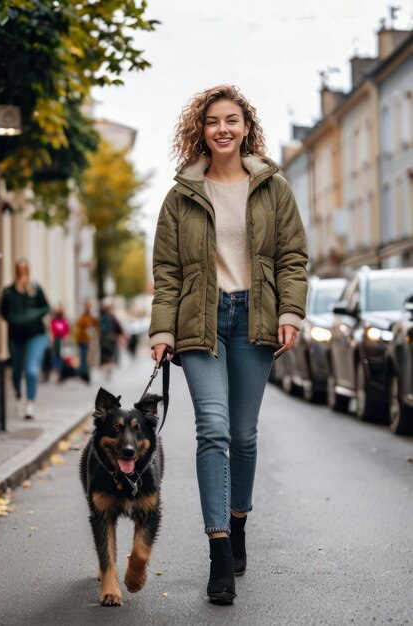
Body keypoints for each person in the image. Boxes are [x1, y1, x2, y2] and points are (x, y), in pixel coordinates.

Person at [149, 85, 308, 604]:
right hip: (202, 322)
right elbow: (167, 271)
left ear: (245, 128)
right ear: (201, 130)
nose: (222, 129)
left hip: (254, 320)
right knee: (212, 428)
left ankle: (238, 522)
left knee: (242, 435)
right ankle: (219, 548)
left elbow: (292, 256)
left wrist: (290, 311)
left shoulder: (273, 186)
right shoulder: (180, 196)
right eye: (213, 121)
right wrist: (162, 329)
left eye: (232, 120)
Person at [0, 258, 50, 420]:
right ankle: (18, 392)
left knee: (31, 369)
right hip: (16, 336)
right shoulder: (9, 291)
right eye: (19, 269)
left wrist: (32, 315)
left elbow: (45, 307)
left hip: (35, 334)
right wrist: (14, 319)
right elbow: (3, 311)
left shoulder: (34, 288)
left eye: (24, 269)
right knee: (16, 370)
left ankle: (29, 404)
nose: (22, 272)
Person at [73, 300, 98, 383]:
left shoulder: (90, 317)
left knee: (86, 357)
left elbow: (95, 323)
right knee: (83, 357)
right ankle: (83, 374)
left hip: (87, 340)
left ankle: (84, 373)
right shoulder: (83, 317)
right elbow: (81, 323)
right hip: (82, 339)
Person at [99, 301, 124, 379]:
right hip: (111, 339)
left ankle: (105, 370)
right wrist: (121, 334)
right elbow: (118, 327)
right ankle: (109, 370)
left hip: (103, 339)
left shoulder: (100, 318)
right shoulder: (112, 317)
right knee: (110, 355)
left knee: (104, 355)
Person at [50, 305, 70, 378]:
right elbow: (52, 331)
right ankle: (57, 370)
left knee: (63, 356)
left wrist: (66, 337)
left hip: (63, 340)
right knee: (56, 355)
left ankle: (62, 371)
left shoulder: (64, 322)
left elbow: (67, 331)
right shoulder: (53, 321)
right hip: (56, 340)